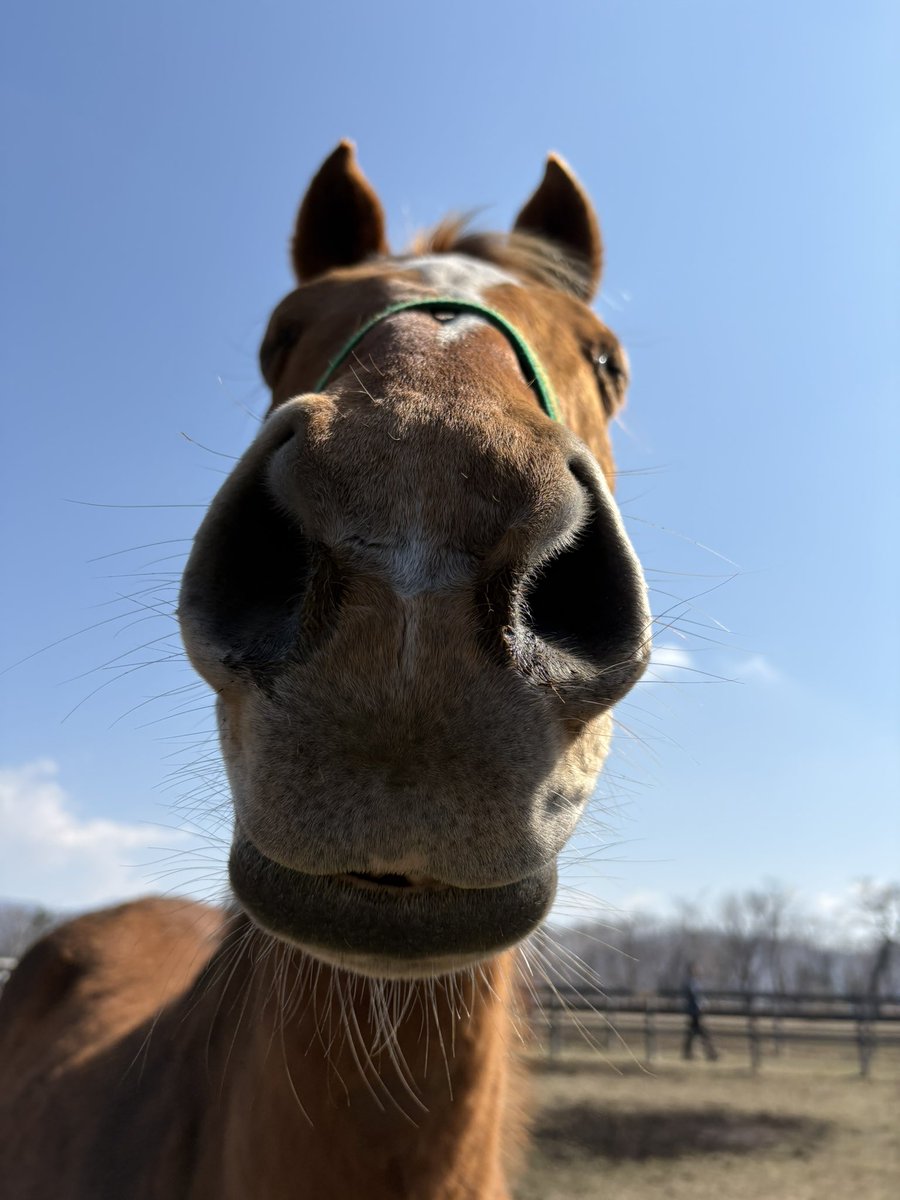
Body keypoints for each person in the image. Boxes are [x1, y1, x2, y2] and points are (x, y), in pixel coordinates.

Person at [682, 962, 718, 1061]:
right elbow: (696, 997)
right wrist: (702, 1006)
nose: (698, 971)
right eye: (696, 969)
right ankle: (711, 1054)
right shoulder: (691, 983)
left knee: (694, 1032)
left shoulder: (692, 982)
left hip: (694, 1011)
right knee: (702, 1032)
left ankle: (688, 1053)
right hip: (695, 1011)